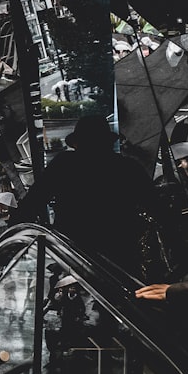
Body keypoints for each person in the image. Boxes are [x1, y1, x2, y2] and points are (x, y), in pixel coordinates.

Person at [14, 114, 159, 278]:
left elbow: (34, 201)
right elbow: (156, 206)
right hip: (121, 256)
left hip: (74, 255)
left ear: (78, 143)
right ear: (108, 142)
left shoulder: (65, 164)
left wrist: (11, 235)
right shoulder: (128, 168)